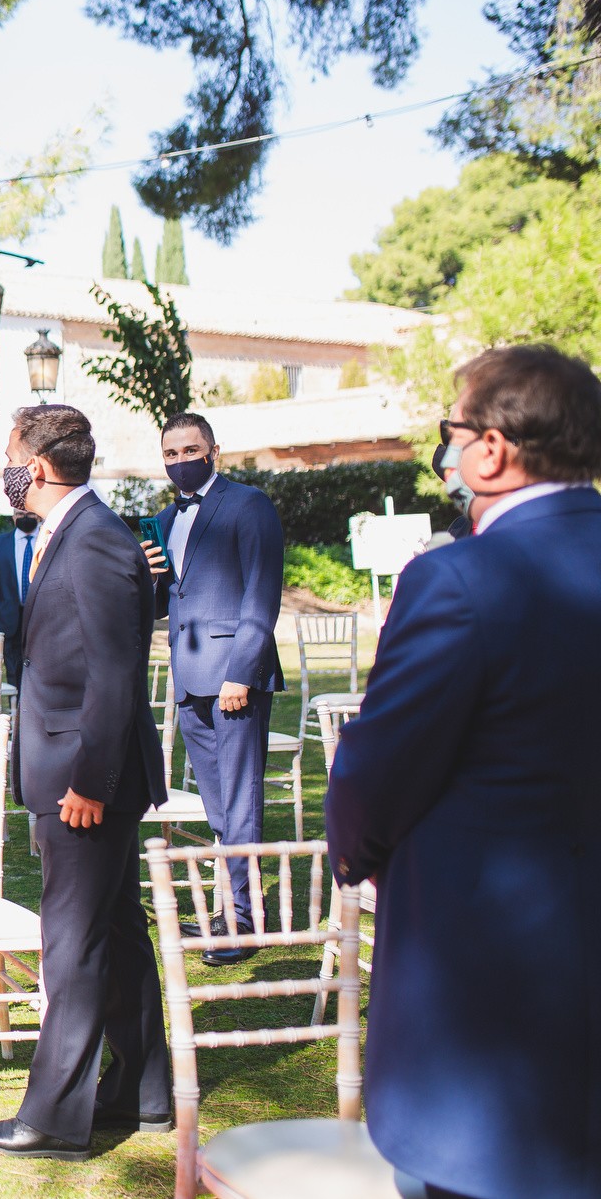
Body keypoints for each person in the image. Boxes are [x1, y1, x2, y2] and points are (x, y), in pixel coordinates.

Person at [327, 345, 601, 1199]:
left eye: (451, 430)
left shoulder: (459, 579)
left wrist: (360, 854)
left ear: (491, 448)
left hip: (490, 1004)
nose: (444, 450)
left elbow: (376, 769)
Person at [0, 404, 169, 1162]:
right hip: (72, 769)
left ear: (41, 467)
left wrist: (90, 781)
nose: (5, 472)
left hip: (84, 781)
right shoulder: (74, 532)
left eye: (10, 458)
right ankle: (143, 1088)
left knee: (72, 944)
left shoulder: (96, 541)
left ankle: (53, 1118)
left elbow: (115, 676)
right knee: (114, 931)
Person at [138, 413, 283, 964]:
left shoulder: (249, 505)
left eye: (190, 450)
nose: (180, 461)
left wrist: (241, 673)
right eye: (170, 453)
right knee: (218, 805)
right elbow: (161, 606)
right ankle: (231, 907)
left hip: (233, 680)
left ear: (213, 451)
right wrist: (147, 577)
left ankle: (243, 922)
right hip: (189, 678)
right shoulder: (162, 520)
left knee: (240, 801)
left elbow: (261, 596)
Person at [0, 509, 40, 692]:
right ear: (13, 517)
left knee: (40, 664)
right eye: (20, 514)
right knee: (13, 667)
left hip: (40, 613)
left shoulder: (48, 541)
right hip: (9, 615)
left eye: (30, 513)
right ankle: (15, 707)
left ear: (38, 515)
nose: (25, 518)